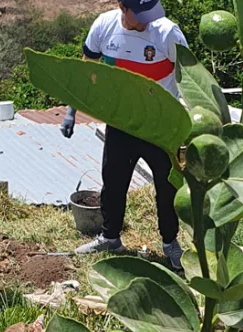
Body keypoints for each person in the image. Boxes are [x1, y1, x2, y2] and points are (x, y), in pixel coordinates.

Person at [61, 0, 188, 270]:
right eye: (139, 15)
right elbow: (87, 71)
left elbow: (191, 79)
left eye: (150, 14)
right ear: (122, 6)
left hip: (160, 125)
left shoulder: (167, 33)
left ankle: (170, 244)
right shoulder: (104, 27)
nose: (145, 21)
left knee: (167, 187)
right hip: (122, 122)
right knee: (114, 182)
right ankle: (110, 237)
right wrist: (71, 110)